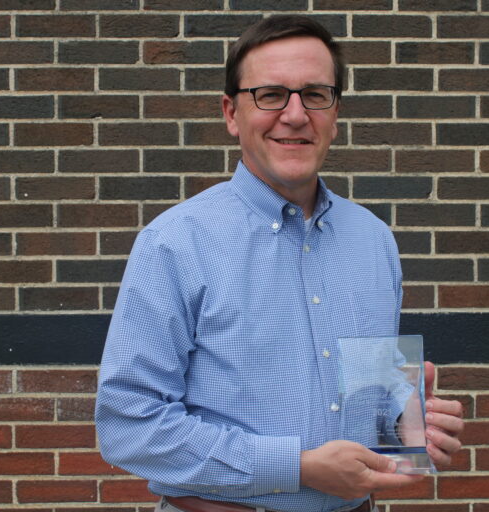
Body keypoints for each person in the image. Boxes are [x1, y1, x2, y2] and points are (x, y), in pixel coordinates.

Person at [95, 15, 464, 512]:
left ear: (336, 112)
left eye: (315, 94)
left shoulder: (372, 240)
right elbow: (129, 427)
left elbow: (377, 403)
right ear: (231, 113)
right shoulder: (174, 243)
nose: (294, 114)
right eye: (270, 94)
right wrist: (298, 466)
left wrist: (408, 426)